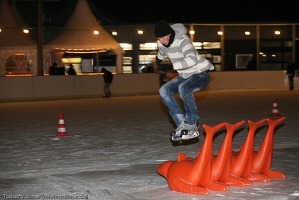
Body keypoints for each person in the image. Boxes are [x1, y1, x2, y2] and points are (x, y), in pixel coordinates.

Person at [154, 20, 215, 141]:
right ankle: (182, 123)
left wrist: (173, 66)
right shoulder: (161, 43)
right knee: (164, 90)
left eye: (163, 38)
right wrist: (158, 59)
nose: (162, 41)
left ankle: (192, 124)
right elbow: (162, 51)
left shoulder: (183, 41)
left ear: (170, 34)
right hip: (185, 75)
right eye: (159, 38)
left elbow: (192, 59)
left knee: (184, 88)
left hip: (200, 73)